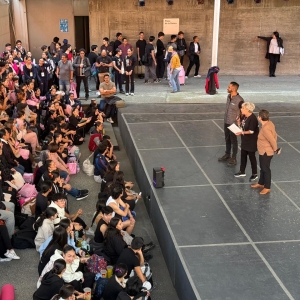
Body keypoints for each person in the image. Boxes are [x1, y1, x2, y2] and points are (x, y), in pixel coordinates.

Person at [251, 109, 278, 195]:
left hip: (266, 151)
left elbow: (272, 140)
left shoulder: (266, 128)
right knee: (263, 168)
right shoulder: (269, 123)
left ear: (260, 118)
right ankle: (261, 183)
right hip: (263, 151)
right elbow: (275, 134)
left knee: (265, 169)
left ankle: (267, 187)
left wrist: (275, 149)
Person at [218, 82, 244, 166]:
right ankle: (227, 154)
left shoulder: (240, 100)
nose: (227, 88)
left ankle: (234, 158)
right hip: (226, 121)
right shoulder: (228, 96)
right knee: (227, 139)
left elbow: (243, 111)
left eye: (229, 87)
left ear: (233, 88)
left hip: (233, 124)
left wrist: (240, 121)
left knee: (234, 141)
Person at [234, 102, 259, 181]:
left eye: (243, 108)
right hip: (245, 141)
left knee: (252, 158)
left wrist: (241, 133)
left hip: (251, 142)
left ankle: (254, 174)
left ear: (248, 110)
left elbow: (251, 131)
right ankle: (242, 171)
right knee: (243, 156)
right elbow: (242, 127)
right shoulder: (245, 117)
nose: (241, 109)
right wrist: (238, 123)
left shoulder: (253, 119)